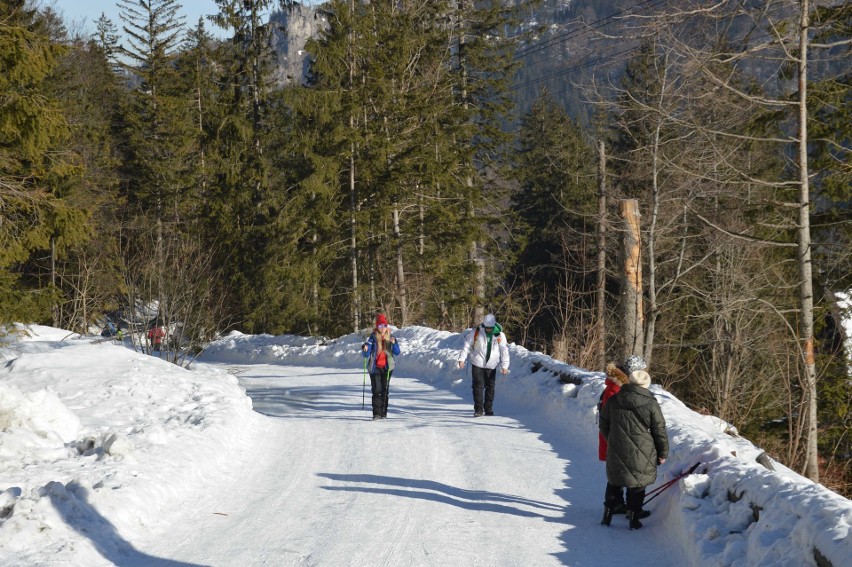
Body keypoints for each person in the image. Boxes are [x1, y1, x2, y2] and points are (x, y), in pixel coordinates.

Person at [599, 368, 668, 530]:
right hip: (643, 449)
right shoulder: (650, 403)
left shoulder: (615, 400)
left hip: (617, 446)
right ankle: (634, 519)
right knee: (637, 484)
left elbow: (603, 423)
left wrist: (612, 439)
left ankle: (607, 516)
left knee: (614, 480)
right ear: (646, 385)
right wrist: (662, 452)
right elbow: (659, 430)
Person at [457, 313, 510, 417]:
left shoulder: (499, 335)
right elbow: (467, 345)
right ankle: (478, 409)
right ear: (484, 325)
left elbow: (504, 350)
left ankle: (488, 408)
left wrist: (505, 366)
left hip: (492, 364)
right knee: (477, 386)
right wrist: (462, 359)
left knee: (490, 387)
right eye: (487, 327)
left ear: (494, 326)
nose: (488, 329)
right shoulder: (476, 332)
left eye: (490, 328)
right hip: (477, 362)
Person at [598, 362, 630, 514]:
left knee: (619, 472)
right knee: (617, 473)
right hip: (614, 437)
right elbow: (614, 416)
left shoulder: (617, 387)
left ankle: (617, 503)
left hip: (614, 436)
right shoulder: (615, 389)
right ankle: (612, 506)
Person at [361, 314, 400, 420]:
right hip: (375, 368)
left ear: (387, 326)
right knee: (376, 390)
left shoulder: (391, 338)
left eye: (384, 326)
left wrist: (394, 343)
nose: (382, 328)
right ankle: (376, 413)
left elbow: (397, 352)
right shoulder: (373, 337)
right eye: (380, 326)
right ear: (377, 327)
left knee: (385, 389)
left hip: (387, 368)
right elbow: (366, 354)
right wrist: (365, 348)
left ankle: (383, 412)